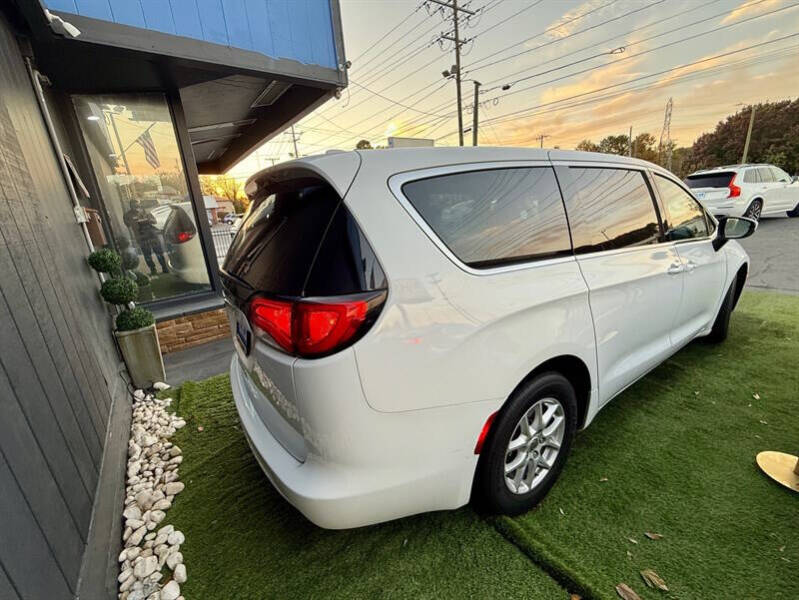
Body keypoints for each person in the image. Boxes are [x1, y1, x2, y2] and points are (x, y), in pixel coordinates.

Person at [123, 198, 169, 275]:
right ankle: (152, 269)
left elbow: (154, 221)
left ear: (139, 204)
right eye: (133, 204)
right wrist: (135, 222)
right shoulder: (128, 215)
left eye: (137, 204)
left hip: (152, 235)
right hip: (141, 237)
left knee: (158, 252)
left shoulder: (145, 212)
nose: (135, 206)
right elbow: (127, 224)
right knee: (147, 254)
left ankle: (164, 267)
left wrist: (147, 220)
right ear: (130, 205)